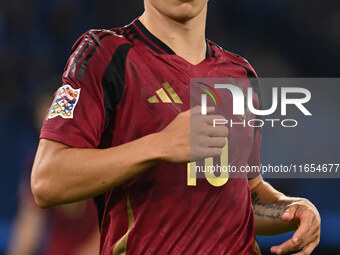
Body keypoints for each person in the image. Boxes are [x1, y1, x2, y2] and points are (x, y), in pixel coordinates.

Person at [31, 0, 321, 254]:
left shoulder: (240, 75)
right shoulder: (105, 55)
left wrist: (292, 209)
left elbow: (248, 192)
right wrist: (158, 145)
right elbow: (47, 180)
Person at [8, 95, 100, 255]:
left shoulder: (104, 158)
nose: (51, 141)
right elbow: (28, 230)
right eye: (45, 135)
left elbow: (115, 226)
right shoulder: (38, 165)